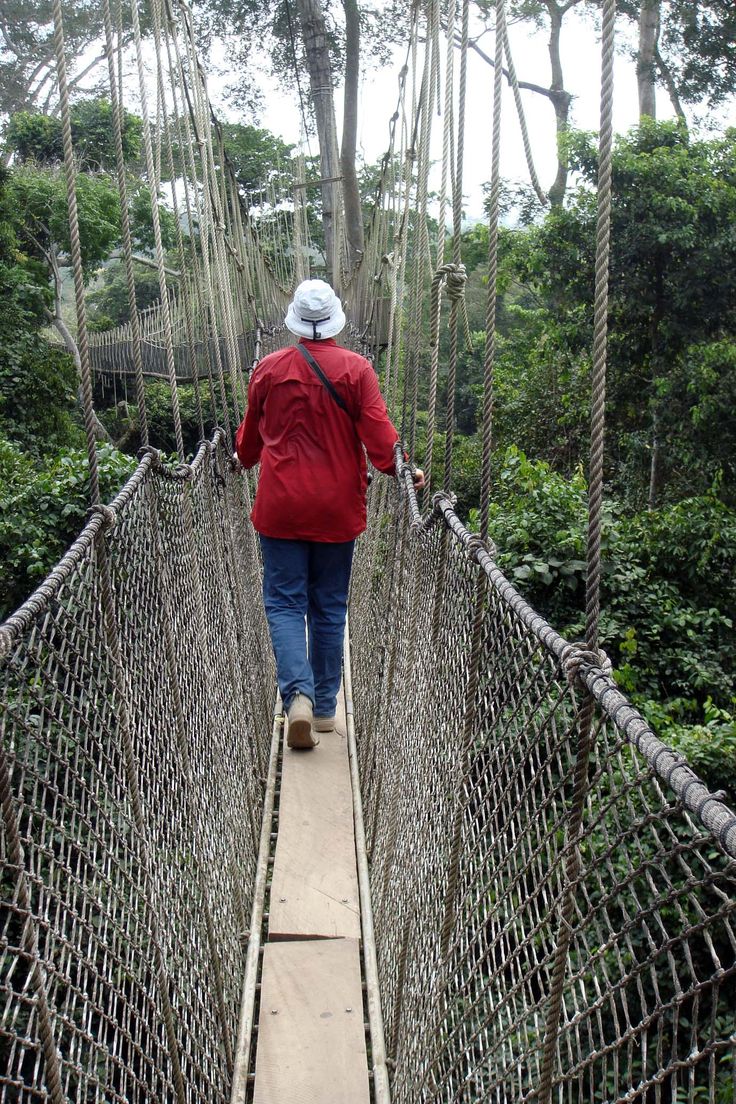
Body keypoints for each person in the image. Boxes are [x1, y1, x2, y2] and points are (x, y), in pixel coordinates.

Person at [235, 279, 425, 749]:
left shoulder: (267, 370)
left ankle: (295, 695)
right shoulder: (357, 371)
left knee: (284, 603)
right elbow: (381, 440)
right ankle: (323, 709)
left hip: (280, 508)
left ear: (295, 322)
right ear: (336, 319)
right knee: (329, 607)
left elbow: (247, 449)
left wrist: (239, 456)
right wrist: (403, 469)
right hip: (337, 511)